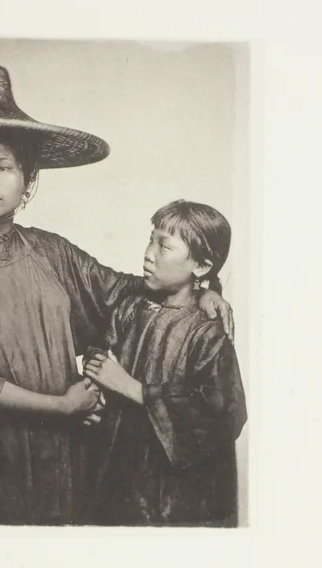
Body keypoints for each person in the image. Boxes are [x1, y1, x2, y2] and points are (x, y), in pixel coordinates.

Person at [0, 66, 232, 525]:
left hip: (58, 455)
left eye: (4, 167)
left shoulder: (52, 252)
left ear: (28, 178)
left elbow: (124, 293)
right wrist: (61, 406)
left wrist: (206, 289)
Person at [82, 200, 247, 526]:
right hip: (116, 472)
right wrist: (94, 395)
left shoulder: (208, 330)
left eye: (164, 245)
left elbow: (225, 414)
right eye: (150, 239)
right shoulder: (129, 309)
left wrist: (136, 390)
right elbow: (101, 357)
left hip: (175, 498)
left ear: (200, 267)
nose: (148, 253)